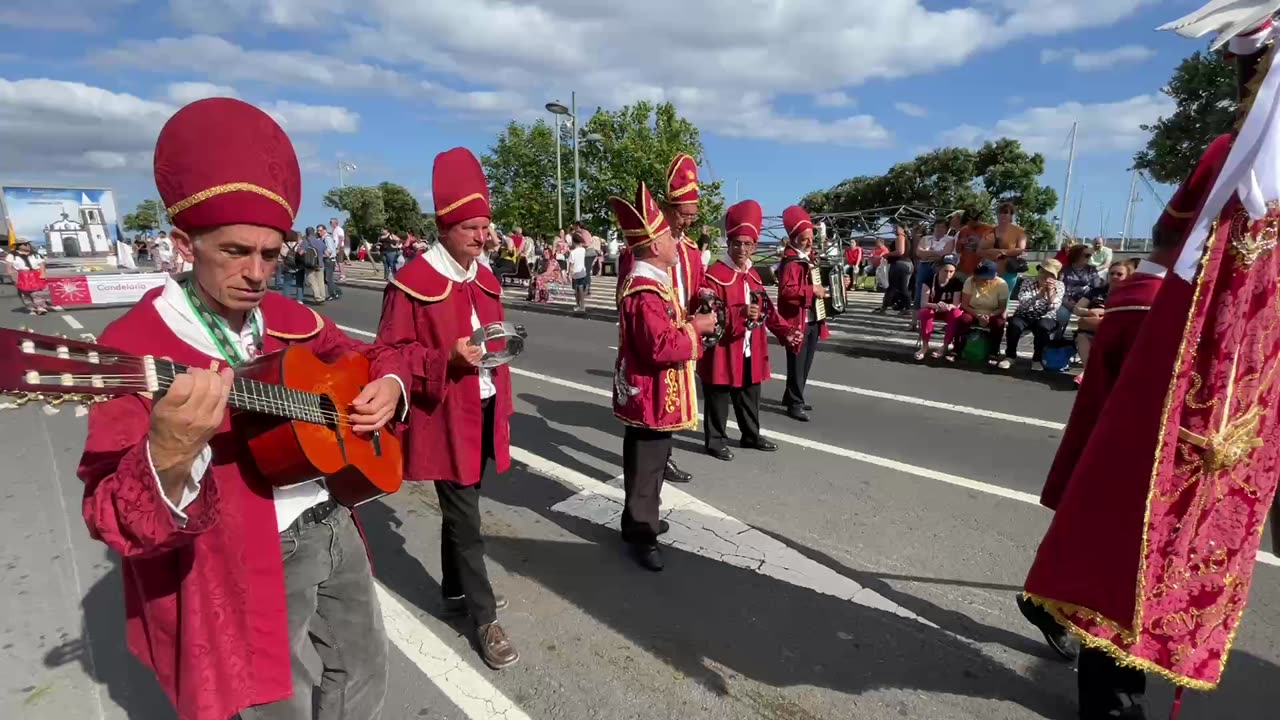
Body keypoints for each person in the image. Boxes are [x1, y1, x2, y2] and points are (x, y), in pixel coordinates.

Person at [78, 98, 408, 720]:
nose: (257, 273)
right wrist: (168, 455)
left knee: (362, 669)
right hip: (237, 557)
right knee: (261, 702)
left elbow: (372, 354)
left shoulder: (290, 318)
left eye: (271, 253)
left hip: (331, 518)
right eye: (235, 252)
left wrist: (388, 383)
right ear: (184, 244)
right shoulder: (132, 347)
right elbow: (109, 515)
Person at [1022, 14, 1279, 719]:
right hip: (1183, 342)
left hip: (1245, 370)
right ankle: (1103, 673)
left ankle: (1079, 620)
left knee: (1144, 508)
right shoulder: (1239, 157)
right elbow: (1172, 239)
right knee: (1139, 505)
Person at [375, 147, 520, 671]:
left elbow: (493, 337)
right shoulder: (412, 281)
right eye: (472, 229)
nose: (483, 238)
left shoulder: (484, 276)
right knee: (466, 514)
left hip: (482, 406)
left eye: (486, 226)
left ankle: (455, 592)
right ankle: (483, 619)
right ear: (444, 226)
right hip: (443, 413)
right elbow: (388, 354)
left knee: (464, 504)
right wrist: (446, 359)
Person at [611, 180, 717, 571]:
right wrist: (697, 329)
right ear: (655, 246)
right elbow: (659, 347)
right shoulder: (645, 291)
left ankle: (638, 521)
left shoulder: (651, 286)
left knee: (647, 461)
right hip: (649, 394)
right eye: (670, 237)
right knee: (647, 462)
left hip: (649, 392)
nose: (678, 242)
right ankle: (642, 533)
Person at [614, 153, 707, 484]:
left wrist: (704, 301)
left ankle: (663, 457)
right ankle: (652, 468)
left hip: (682, 335)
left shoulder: (692, 251)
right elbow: (628, 294)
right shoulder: (642, 249)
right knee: (649, 408)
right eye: (684, 215)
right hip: (656, 334)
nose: (688, 222)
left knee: (675, 400)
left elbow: (696, 288)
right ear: (669, 208)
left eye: (693, 216)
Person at [697, 200, 801, 460]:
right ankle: (715, 440)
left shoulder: (754, 275)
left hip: (749, 346)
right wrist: (740, 313)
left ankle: (750, 434)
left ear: (754, 246)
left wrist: (786, 331)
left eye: (747, 244)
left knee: (749, 392)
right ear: (728, 244)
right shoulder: (715, 274)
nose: (742, 249)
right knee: (718, 394)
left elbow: (767, 310)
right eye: (737, 243)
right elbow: (710, 315)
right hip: (722, 348)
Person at [776, 205, 830, 422]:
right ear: (795, 238)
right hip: (797, 319)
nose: (810, 242)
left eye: (811, 238)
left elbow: (819, 282)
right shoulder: (790, 262)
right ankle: (794, 402)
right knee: (797, 362)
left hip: (813, 317)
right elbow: (786, 292)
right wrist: (811, 290)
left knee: (805, 362)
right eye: (805, 239)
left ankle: (793, 396)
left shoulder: (810, 258)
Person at [1072, 261, 1134, 385]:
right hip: (1093, 327)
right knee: (1082, 334)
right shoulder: (1097, 291)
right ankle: (1089, 372)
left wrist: (1105, 312)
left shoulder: (1131, 294)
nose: (1114, 276)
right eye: (1112, 273)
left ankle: (1090, 374)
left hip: (1116, 331)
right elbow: (1077, 309)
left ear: (1128, 276)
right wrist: (1090, 311)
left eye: (1119, 274)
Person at [997, 259, 1064, 370]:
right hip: (1024, 314)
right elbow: (1023, 302)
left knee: (1043, 327)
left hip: (1046, 316)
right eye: (1043, 272)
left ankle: (1037, 359)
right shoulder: (1028, 282)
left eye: (1050, 274)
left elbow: (1054, 307)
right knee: (1014, 324)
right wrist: (1038, 295)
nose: (1045, 276)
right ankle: (1010, 356)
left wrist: (1050, 294)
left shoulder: (1059, 286)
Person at [950, 260, 1009, 364]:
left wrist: (989, 316)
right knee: (964, 320)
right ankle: (956, 350)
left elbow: (1002, 308)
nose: (979, 277)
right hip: (972, 311)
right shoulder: (969, 281)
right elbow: (964, 304)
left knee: (999, 323)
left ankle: (993, 353)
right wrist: (978, 316)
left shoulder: (1001, 284)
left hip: (992, 312)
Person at [915, 254, 965, 361]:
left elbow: (956, 304)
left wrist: (948, 306)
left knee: (956, 313)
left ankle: (945, 346)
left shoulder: (957, 282)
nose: (948, 274)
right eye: (945, 271)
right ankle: (925, 346)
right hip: (933, 308)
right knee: (925, 312)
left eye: (951, 272)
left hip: (948, 310)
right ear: (939, 269)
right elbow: (923, 303)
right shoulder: (929, 280)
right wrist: (936, 305)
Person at [983, 202, 1028, 292]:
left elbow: (1021, 249)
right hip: (991, 271)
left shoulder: (1019, 232)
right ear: (997, 215)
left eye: (1006, 212)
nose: (1003, 215)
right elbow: (979, 251)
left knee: (1004, 299)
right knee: (989, 299)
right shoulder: (989, 232)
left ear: (1011, 215)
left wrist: (1003, 252)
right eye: (1000, 212)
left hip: (1009, 272)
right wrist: (991, 252)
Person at [915, 219, 955, 308]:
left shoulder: (950, 240)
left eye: (942, 227)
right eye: (938, 226)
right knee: (920, 290)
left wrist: (927, 254)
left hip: (940, 266)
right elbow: (919, 253)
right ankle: (916, 318)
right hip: (924, 265)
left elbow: (944, 254)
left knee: (936, 289)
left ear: (946, 229)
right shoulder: (925, 238)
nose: (939, 229)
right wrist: (937, 253)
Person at [8, 239, 50, 314]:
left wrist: (43, 273)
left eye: (28, 244)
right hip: (22, 275)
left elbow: (41, 264)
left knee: (38, 291)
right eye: (25, 244)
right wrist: (13, 277)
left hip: (35, 274)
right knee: (25, 293)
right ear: (19, 246)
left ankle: (40, 306)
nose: (27, 245)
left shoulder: (35, 254)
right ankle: (32, 307)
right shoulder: (12, 255)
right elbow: (9, 267)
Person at [568, 232, 589, 312]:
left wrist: (569, 274)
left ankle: (580, 305)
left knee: (577, 289)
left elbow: (571, 265)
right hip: (582, 272)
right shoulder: (583, 250)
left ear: (573, 242)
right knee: (580, 289)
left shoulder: (572, 253)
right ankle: (580, 305)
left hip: (575, 273)